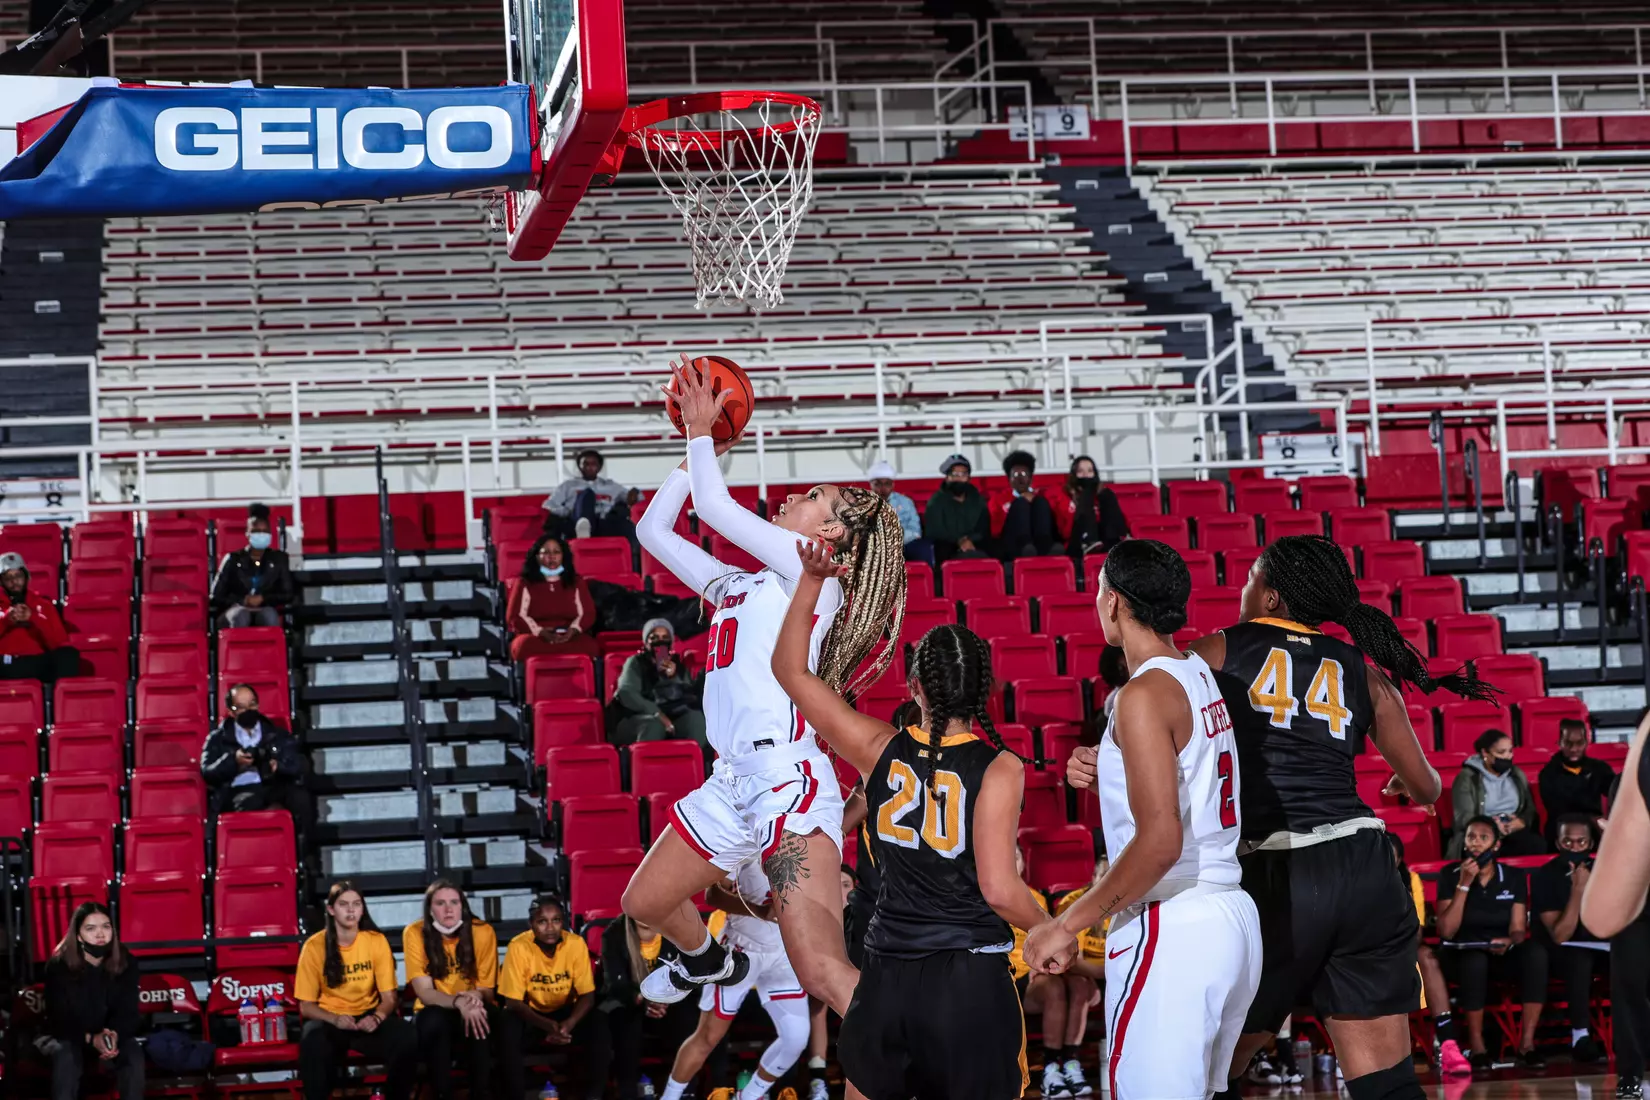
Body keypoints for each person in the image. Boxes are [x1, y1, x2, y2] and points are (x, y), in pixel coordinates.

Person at [1066, 533, 1474, 1100]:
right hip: (1365, 865)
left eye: (1251, 578)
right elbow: (1429, 785)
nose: (1243, 588)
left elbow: (1152, 708)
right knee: (1385, 1083)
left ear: (1273, 596)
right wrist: (1402, 781)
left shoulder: (1216, 652)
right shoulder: (1363, 671)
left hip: (1278, 870)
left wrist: (1101, 755)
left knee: (1208, 1071)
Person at [623, 356, 908, 1019]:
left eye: (811, 499)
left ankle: (916, 1067)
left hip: (787, 783)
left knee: (823, 973)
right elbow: (651, 532)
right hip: (731, 780)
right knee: (644, 902)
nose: (790, 498)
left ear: (833, 535)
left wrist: (702, 436)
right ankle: (710, 959)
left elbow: (716, 504)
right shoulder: (744, 584)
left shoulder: (815, 579)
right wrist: (703, 448)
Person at [775, 544, 1049, 1100]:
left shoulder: (876, 747)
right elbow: (999, 889)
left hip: (886, 978)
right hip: (966, 981)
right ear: (985, 692)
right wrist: (1047, 924)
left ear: (914, 687)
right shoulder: (999, 767)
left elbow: (789, 670)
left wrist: (809, 579)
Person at [1026, 539, 1261, 1100]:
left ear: (1112, 603)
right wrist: (1105, 758)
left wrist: (1067, 924)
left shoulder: (1141, 695)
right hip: (1228, 913)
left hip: (1172, 919)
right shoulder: (1195, 672)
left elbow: (1159, 842)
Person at [657, 863, 810, 1100]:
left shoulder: (803, 837)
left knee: (796, 1037)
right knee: (708, 1037)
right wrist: (759, 911)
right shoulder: (747, 836)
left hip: (783, 951)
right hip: (741, 948)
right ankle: (669, 1097)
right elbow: (713, 894)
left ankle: (748, 1096)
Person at [1435, 816, 1548, 1071]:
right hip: (1460, 953)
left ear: (1496, 845)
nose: (1475, 843)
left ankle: (1527, 1045)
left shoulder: (1512, 876)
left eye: (1483, 837)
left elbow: (1519, 929)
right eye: (1471, 837)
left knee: (1535, 954)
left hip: (1499, 952)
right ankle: (1477, 1047)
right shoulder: (1450, 874)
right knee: (1475, 961)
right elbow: (1447, 931)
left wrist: (1510, 941)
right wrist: (1463, 885)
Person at [295, 882, 417, 1100]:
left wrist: (377, 1018)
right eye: (344, 904)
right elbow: (306, 1006)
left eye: (356, 904)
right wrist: (335, 1019)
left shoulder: (375, 941)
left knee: (407, 1036)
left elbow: (389, 997)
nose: (351, 910)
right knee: (312, 1038)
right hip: (330, 1020)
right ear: (331, 910)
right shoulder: (314, 946)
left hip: (367, 1018)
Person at [1010, 850, 1100, 1100]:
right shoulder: (985, 895)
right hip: (1001, 975)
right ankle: (1052, 1068)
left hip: (1031, 972)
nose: (1011, 861)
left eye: (1016, 856)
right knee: (1056, 987)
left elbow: (1047, 940)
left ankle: (1061, 1067)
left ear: (1024, 863)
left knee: (1058, 987)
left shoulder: (1037, 899)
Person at [403, 880, 498, 1100]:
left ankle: (481, 1094)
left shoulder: (482, 932)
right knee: (436, 1020)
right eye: (440, 903)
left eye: (454, 902)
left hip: (473, 1004)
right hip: (435, 1008)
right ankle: (442, 1094)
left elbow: (487, 990)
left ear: (462, 906)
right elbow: (425, 993)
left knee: (480, 1017)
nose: (448, 909)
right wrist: (458, 1002)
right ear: (430, 909)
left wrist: (472, 1000)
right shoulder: (415, 933)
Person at [498, 895, 597, 1100]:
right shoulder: (518, 946)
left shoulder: (576, 943)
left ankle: (594, 1095)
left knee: (599, 1021)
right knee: (507, 1022)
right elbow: (513, 1002)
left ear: (564, 922)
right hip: (531, 1015)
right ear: (531, 924)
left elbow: (587, 994)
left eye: (556, 920)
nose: (550, 927)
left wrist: (568, 1024)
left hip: (566, 1012)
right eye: (542, 921)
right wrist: (548, 1025)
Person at [1530, 814, 1607, 1064]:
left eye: (1581, 842)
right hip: (1559, 952)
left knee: (1635, 953)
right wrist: (1578, 891)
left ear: (1591, 845)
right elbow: (1560, 934)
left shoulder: (1605, 870)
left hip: (1602, 946)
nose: (1574, 848)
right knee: (1579, 958)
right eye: (1568, 842)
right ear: (1558, 843)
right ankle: (1580, 1036)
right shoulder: (1545, 875)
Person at [44, 902, 142, 1100]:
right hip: (67, 1035)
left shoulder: (126, 961)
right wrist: (90, 1038)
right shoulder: (59, 966)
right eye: (91, 928)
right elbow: (59, 1019)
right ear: (78, 935)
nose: (100, 934)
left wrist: (113, 1035)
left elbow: (128, 1011)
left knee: (132, 1053)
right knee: (66, 1055)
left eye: (106, 927)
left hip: (108, 1035)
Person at [201, 684, 314, 851]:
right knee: (248, 804)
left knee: (301, 799)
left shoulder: (276, 733)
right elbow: (207, 772)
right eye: (241, 707)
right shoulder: (218, 739)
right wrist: (234, 760)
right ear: (231, 712)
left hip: (273, 785)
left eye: (252, 704)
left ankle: (303, 856)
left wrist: (277, 766)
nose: (249, 710)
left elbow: (300, 764)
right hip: (239, 791)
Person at [594, 914, 690, 1100]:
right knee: (626, 1021)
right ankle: (627, 1092)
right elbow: (615, 983)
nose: (645, 913)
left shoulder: (674, 930)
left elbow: (686, 975)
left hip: (666, 1002)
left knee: (687, 1016)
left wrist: (665, 1000)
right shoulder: (613, 934)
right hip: (629, 1001)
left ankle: (687, 1091)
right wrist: (644, 999)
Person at [611, 618, 707, 749]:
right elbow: (626, 693)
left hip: (673, 716)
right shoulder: (635, 662)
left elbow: (689, 697)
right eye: (654, 637)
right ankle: (645, 767)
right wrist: (656, 713)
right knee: (654, 726)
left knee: (696, 720)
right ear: (646, 642)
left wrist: (673, 677)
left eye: (665, 637)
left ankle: (691, 765)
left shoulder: (677, 665)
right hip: (635, 717)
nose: (660, 641)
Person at [1450, 729, 1544, 857]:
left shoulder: (1517, 774)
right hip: (1481, 833)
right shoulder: (1467, 778)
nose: (1507, 756)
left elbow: (1529, 809)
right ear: (1485, 753)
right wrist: (1492, 826)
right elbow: (1464, 817)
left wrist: (1522, 822)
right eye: (1501, 752)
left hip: (1512, 830)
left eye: (1510, 751)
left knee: (1536, 844)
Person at [505, 534, 599, 662]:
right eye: (546, 552)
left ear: (563, 556)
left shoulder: (575, 581)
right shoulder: (524, 582)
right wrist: (540, 632)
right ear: (537, 557)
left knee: (589, 647)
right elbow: (515, 616)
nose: (552, 556)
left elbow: (588, 613)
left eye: (556, 552)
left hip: (569, 635)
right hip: (536, 636)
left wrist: (573, 630)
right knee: (524, 646)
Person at [211, 503, 296, 628]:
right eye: (256, 531)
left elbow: (289, 594)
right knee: (240, 615)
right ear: (247, 533)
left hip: (264, 607)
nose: (261, 535)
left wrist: (264, 599)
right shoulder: (232, 559)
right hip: (236, 608)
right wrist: (243, 600)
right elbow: (215, 596)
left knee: (269, 616)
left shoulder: (279, 559)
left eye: (264, 531)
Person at [0, 551, 78, 683]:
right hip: (5, 663)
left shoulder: (43, 604)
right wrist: (6, 620)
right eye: (8, 578)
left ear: (25, 577)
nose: (14, 582)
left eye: (18, 576)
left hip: (37, 662)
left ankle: (63, 701)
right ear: (1, 582)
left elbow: (57, 642)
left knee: (68, 654)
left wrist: (33, 618)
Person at [1539, 718, 1616, 841]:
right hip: (1562, 829)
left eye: (1579, 743)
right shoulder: (1548, 773)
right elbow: (1558, 811)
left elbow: (1616, 791)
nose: (1574, 749)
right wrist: (1592, 819)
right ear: (1560, 743)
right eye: (1568, 743)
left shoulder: (1600, 768)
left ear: (1586, 742)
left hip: (1595, 828)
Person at [543, 448, 639, 540]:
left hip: (605, 522)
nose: (589, 467)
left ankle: (637, 554)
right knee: (587, 494)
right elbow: (548, 504)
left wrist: (634, 494)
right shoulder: (568, 486)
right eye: (585, 464)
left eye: (593, 464)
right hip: (575, 523)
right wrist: (566, 511)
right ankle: (583, 528)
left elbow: (637, 498)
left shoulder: (611, 486)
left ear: (599, 467)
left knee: (626, 525)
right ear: (580, 466)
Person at [987, 450, 1058, 559]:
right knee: (1021, 504)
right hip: (1011, 546)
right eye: (1015, 474)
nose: (1020, 478)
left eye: (1024, 474)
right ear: (1009, 479)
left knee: (1040, 503)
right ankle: (1025, 547)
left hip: (1039, 545)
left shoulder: (1042, 496)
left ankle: (1045, 548)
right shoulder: (998, 499)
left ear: (1030, 478)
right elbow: (994, 531)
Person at [1053, 455, 1129, 557]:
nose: (1086, 475)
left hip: (1102, 541)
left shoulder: (1102, 496)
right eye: (1081, 471)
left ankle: (1116, 540)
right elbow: (1066, 532)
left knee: (1108, 494)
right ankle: (1088, 542)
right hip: (1076, 543)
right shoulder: (1065, 496)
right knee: (1087, 494)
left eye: (1090, 471)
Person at [922, 454, 990, 564]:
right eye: (954, 474)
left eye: (963, 474)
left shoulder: (977, 499)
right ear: (947, 477)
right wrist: (959, 541)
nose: (959, 478)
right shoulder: (936, 502)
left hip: (975, 544)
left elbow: (984, 528)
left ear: (968, 478)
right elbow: (934, 531)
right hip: (948, 547)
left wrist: (969, 540)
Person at [867, 459, 932, 566]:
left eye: (887, 484)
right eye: (877, 484)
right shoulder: (862, 504)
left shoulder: (905, 502)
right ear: (871, 485)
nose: (882, 488)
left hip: (903, 543)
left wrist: (897, 536)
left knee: (923, 548)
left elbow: (915, 531)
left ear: (892, 485)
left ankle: (925, 581)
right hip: (875, 547)